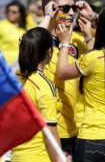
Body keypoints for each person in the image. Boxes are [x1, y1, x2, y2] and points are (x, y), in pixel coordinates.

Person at [55, 4, 105, 162]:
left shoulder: (93, 58)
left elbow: (61, 72)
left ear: (102, 29)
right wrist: (89, 36)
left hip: (94, 136)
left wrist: (65, 42)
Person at [40, 0, 95, 158]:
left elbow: (99, 60)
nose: (71, 13)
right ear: (51, 9)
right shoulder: (38, 40)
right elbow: (30, 45)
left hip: (76, 128)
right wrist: (48, 17)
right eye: (65, 8)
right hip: (48, 128)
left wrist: (92, 23)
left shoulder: (78, 41)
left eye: (74, 8)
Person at [11, 27, 67, 162]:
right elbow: (51, 135)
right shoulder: (44, 86)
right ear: (49, 52)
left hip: (16, 157)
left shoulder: (14, 78)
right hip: (40, 156)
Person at [0, 1, 26, 67]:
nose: (10, 13)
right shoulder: (1, 25)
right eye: (8, 11)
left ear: (20, 14)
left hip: (19, 66)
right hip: (3, 66)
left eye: (14, 12)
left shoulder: (24, 29)